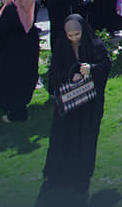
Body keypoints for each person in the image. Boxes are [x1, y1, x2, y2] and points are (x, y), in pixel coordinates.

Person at [40, 14, 112, 201]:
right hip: (68, 103)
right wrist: (70, 74)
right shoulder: (61, 46)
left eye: (76, 34)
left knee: (86, 138)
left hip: (90, 103)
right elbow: (54, 73)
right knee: (62, 136)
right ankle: (57, 174)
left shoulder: (95, 44)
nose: (73, 38)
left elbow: (106, 64)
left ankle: (81, 176)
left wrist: (91, 68)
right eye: (70, 35)